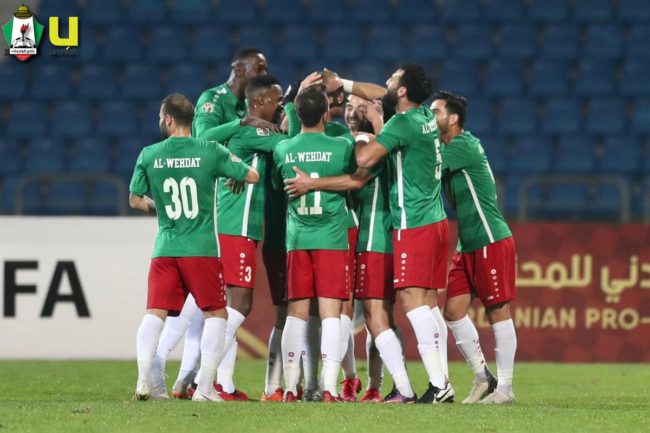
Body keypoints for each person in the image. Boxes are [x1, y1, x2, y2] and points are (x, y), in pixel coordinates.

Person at [284, 64, 453, 403]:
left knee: (384, 313)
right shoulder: (423, 117)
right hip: (432, 220)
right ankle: (428, 383)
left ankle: (421, 386)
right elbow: (381, 95)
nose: (357, 108)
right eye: (350, 105)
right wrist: (345, 85)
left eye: (392, 79)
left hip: (389, 231)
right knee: (419, 306)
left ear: (402, 91)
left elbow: (360, 166)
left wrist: (367, 131)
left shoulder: (391, 129)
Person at [155, 48, 270, 401]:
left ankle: (200, 381)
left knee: (205, 304)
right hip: (217, 212)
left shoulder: (243, 106)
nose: (263, 72)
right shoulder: (213, 100)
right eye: (258, 67)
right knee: (216, 305)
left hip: (227, 208)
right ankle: (185, 376)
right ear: (239, 69)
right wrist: (240, 128)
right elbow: (201, 142)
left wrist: (235, 160)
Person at [130, 94, 259, 402]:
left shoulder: (149, 154)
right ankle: (204, 389)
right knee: (216, 314)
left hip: (165, 248)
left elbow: (134, 200)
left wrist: (160, 209)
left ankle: (143, 380)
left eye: (160, 117)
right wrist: (234, 167)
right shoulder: (210, 150)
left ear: (168, 119)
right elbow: (251, 175)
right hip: (202, 249)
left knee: (154, 313)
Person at [431, 91, 517, 404]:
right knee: (453, 312)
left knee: (497, 311)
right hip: (467, 243)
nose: (430, 117)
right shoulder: (448, 146)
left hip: (490, 238)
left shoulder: (462, 146)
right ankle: (483, 377)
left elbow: (426, 165)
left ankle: (505, 389)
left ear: (453, 119)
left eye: (436, 112)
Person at [273, 87, 355, 403]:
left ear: (297, 114)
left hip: (297, 239)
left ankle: (290, 388)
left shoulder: (283, 149)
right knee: (331, 313)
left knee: (296, 313)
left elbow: (279, 184)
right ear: (325, 114)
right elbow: (355, 179)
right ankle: (330, 388)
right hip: (332, 238)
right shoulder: (342, 146)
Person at [212, 75, 288, 402]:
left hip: (243, 225)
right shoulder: (252, 132)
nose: (281, 105)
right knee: (241, 304)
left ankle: (223, 384)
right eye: (276, 100)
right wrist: (293, 114)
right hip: (238, 225)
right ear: (258, 102)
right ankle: (204, 378)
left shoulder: (251, 130)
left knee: (232, 306)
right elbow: (290, 144)